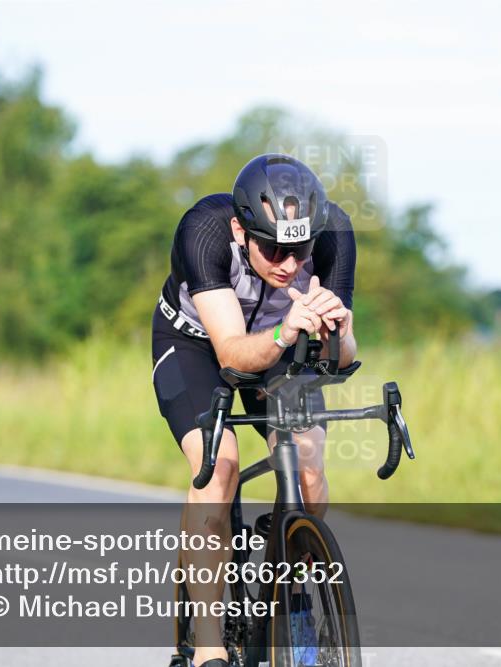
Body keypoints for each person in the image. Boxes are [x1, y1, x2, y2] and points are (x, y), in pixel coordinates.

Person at [151, 153, 356, 667]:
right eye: (274, 249)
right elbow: (232, 354)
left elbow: (340, 358)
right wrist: (289, 329)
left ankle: (297, 592)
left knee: (308, 465)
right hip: (197, 343)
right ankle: (207, 645)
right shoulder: (204, 231)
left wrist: (341, 332)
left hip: (281, 347)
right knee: (219, 466)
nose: (290, 264)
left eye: (300, 249)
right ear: (242, 231)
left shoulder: (333, 235)